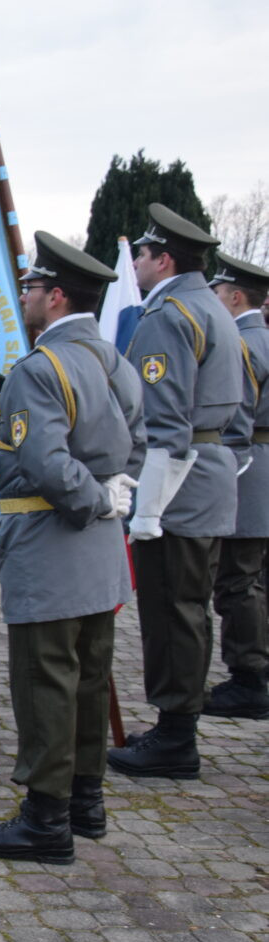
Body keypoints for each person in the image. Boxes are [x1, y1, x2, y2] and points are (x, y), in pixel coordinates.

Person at [0, 232, 144, 865]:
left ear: (58, 296)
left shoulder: (41, 369)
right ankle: (85, 802)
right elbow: (138, 445)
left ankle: (46, 820)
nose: (25, 297)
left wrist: (93, 498)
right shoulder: (115, 361)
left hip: (50, 544)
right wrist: (113, 496)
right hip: (100, 551)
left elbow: (45, 464)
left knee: (45, 680)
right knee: (90, 679)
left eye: (32, 288)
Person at [108, 204, 242, 780]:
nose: (135, 263)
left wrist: (147, 510)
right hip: (206, 479)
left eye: (141, 254)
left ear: (163, 260)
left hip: (176, 489)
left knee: (172, 611)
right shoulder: (211, 307)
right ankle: (176, 727)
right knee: (189, 609)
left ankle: (175, 739)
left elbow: (164, 425)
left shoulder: (169, 314)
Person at [203, 254, 269, 719]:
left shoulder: (244, 344)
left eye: (219, 293)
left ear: (236, 297)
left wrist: (228, 471)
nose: (214, 300)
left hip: (251, 470)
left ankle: (248, 679)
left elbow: (235, 419)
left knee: (237, 580)